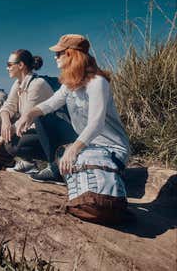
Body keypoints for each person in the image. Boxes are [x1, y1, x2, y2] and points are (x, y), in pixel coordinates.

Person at [16, 34, 130, 224]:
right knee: (43, 118)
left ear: (72, 54)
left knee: (75, 154)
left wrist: (73, 149)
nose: (55, 57)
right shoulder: (69, 84)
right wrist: (29, 114)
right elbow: (51, 103)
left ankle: (70, 170)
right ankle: (58, 166)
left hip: (111, 149)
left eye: (59, 53)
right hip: (87, 145)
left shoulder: (97, 82)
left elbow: (97, 123)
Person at [0, 50, 56, 176]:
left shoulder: (37, 84)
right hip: (29, 129)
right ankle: (28, 162)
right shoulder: (18, 83)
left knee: (12, 144)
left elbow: (26, 120)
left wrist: (1, 138)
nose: (7, 68)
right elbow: (8, 106)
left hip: (48, 134)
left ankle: (51, 162)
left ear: (21, 65)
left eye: (9, 64)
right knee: (1, 123)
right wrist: (6, 121)